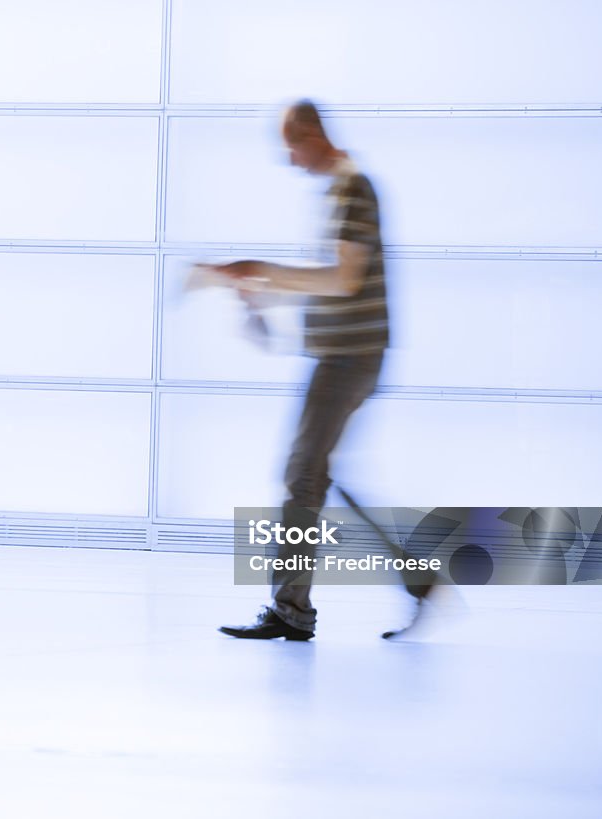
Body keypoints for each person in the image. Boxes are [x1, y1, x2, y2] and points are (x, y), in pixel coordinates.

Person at [211, 100, 391, 641]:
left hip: (350, 357)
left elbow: (343, 280)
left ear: (313, 135)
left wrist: (263, 274)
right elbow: (336, 285)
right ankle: (420, 579)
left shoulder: (352, 187)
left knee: (302, 476)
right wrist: (261, 293)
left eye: (292, 145)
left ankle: (291, 611)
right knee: (315, 477)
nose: (290, 160)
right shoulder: (341, 188)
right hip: (342, 354)